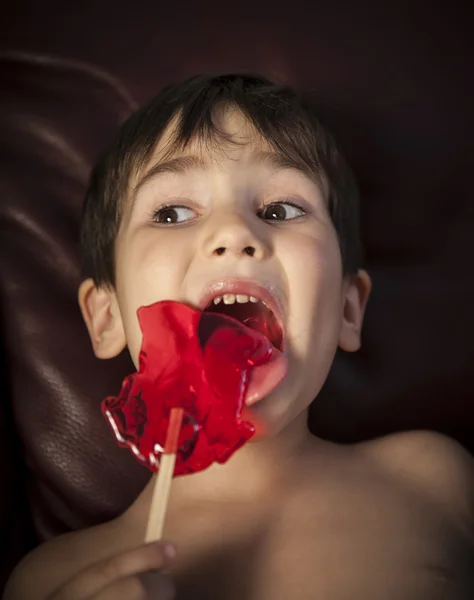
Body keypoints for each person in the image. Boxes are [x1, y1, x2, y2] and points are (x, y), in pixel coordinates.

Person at [4, 73, 474, 600]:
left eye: (280, 210)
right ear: (106, 316)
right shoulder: (49, 579)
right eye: (173, 213)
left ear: (347, 310)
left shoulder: (433, 482)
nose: (234, 234)